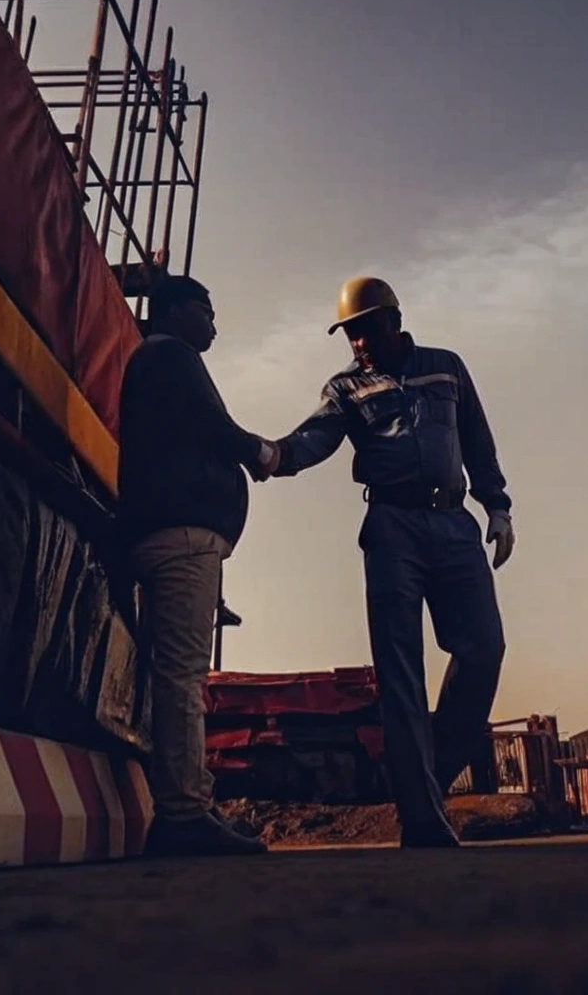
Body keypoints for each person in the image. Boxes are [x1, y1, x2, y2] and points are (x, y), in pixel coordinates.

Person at [259, 276, 514, 848]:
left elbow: (477, 440)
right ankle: (422, 818)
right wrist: (274, 455)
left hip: (453, 523)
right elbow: (317, 436)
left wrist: (496, 506)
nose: (358, 343)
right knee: (400, 671)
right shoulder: (347, 387)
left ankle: (432, 777)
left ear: (394, 320)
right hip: (392, 526)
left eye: (366, 329)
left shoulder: (445, 367)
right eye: (350, 335)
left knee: (483, 648)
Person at [118, 274, 278, 856]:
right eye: (207, 310)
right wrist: (261, 453)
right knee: (184, 676)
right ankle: (185, 813)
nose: (214, 323)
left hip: (169, 533)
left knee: (172, 675)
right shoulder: (171, 356)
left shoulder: (150, 362)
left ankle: (192, 803)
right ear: (178, 312)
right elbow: (213, 426)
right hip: (182, 538)